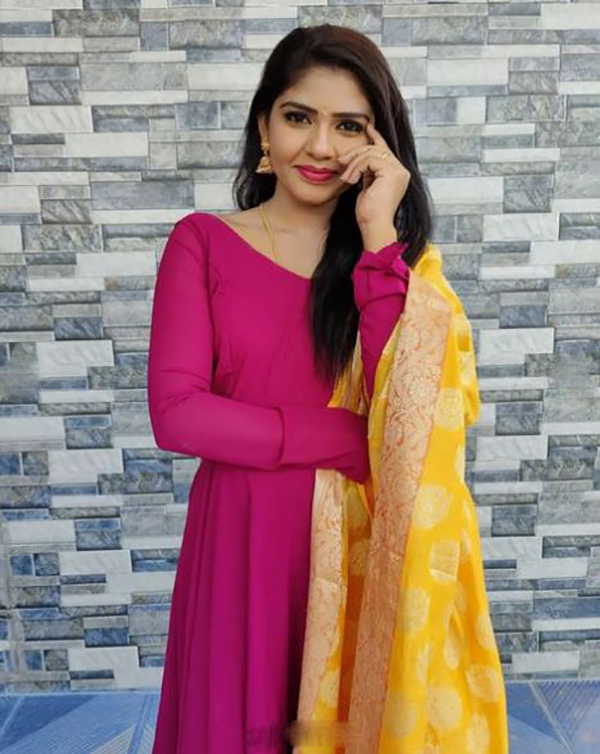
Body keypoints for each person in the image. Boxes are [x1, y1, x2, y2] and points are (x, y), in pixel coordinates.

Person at [147, 24, 508, 754]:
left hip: (356, 547)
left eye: (348, 126)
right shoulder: (203, 242)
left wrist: (377, 236)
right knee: (239, 725)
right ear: (263, 124)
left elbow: (403, 410)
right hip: (242, 539)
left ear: (379, 144)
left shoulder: (397, 268)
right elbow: (178, 415)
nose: (319, 147)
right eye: (298, 116)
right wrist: (334, 436)